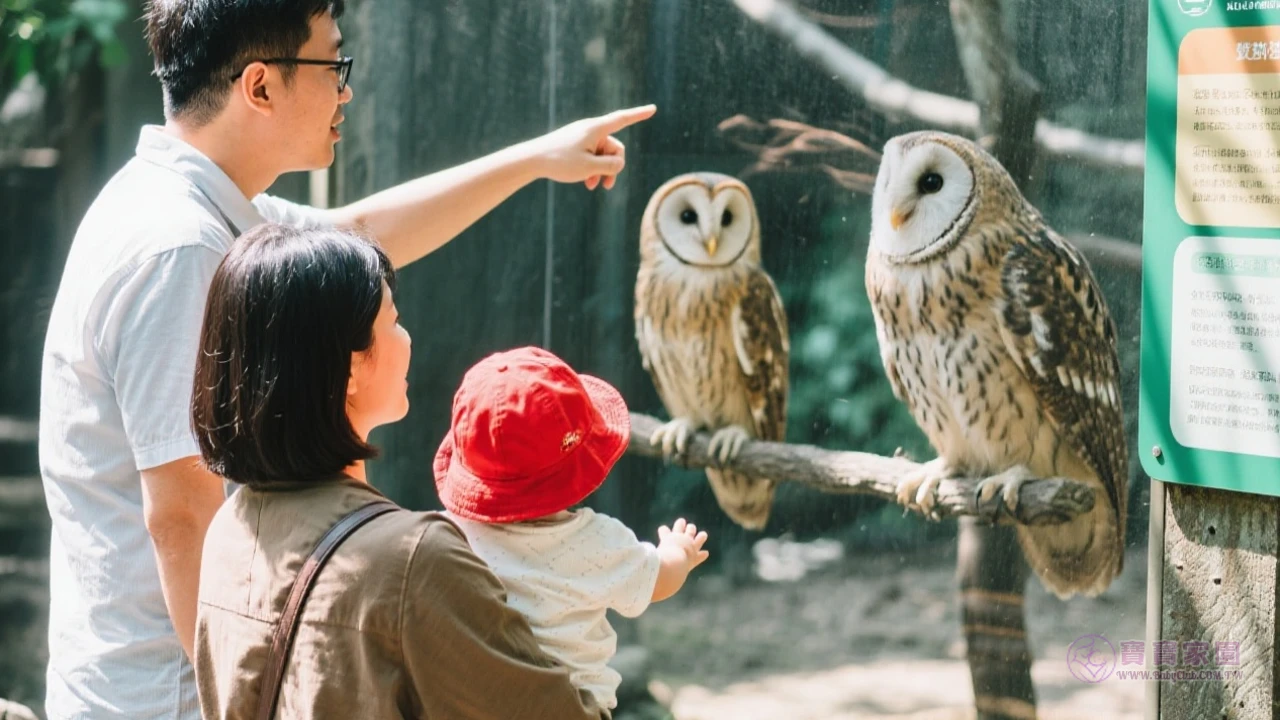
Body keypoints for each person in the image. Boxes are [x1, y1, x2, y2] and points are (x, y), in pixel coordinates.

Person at [36, 0, 655, 715]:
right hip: (171, 693)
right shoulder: (181, 250)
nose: (347, 89)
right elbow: (181, 514)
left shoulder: (198, 205)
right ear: (260, 87)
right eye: (334, 62)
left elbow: (356, 237)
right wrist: (237, 701)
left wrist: (537, 157)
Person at [191, 223, 612, 718]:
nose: (407, 337)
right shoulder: (414, 561)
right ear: (349, 370)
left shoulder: (230, 530)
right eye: (394, 319)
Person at [433, 345, 710, 711]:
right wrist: (678, 552)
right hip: (572, 709)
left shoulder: (450, 537)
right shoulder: (596, 542)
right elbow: (657, 581)